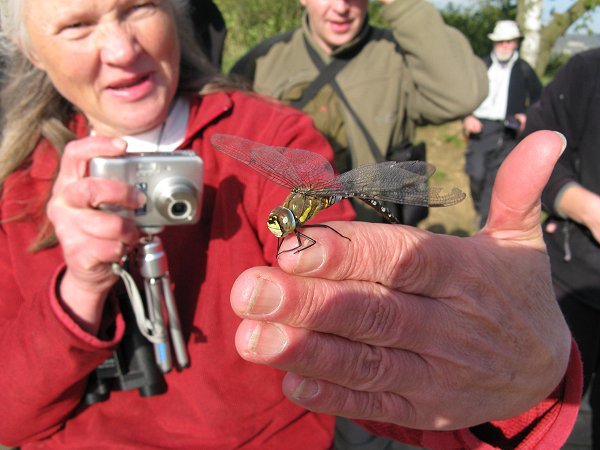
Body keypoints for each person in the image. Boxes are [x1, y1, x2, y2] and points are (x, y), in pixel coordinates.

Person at [0, 1, 581, 449]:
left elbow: (375, 350)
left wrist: (518, 380)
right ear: (30, 51)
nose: (122, 48)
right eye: (76, 25)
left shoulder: (271, 138)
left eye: (139, 7)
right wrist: (78, 291)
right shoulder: (16, 187)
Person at [230, 0, 488, 225]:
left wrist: (403, 6)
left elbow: (463, 94)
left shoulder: (399, 55)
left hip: (374, 233)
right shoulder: (261, 62)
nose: (342, 7)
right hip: (282, 231)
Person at [522, 48, 600, 449]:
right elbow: (541, 150)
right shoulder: (587, 69)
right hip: (571, 279)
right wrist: (588, 209)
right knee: (540, 412)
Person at [463, 19, 542, 229]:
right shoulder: (481, 65)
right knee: (476, 173)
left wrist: (526, 115)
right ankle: (480, 208)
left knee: (495, 177)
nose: (506, 46)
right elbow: (463, 95)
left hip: (508, 131)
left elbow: (539, 99)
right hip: (481, 129)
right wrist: (467, 116)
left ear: (516, 42)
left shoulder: (524, 69)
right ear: (494, 43)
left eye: (510, 41)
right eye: (502, 42)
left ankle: (484, 220)